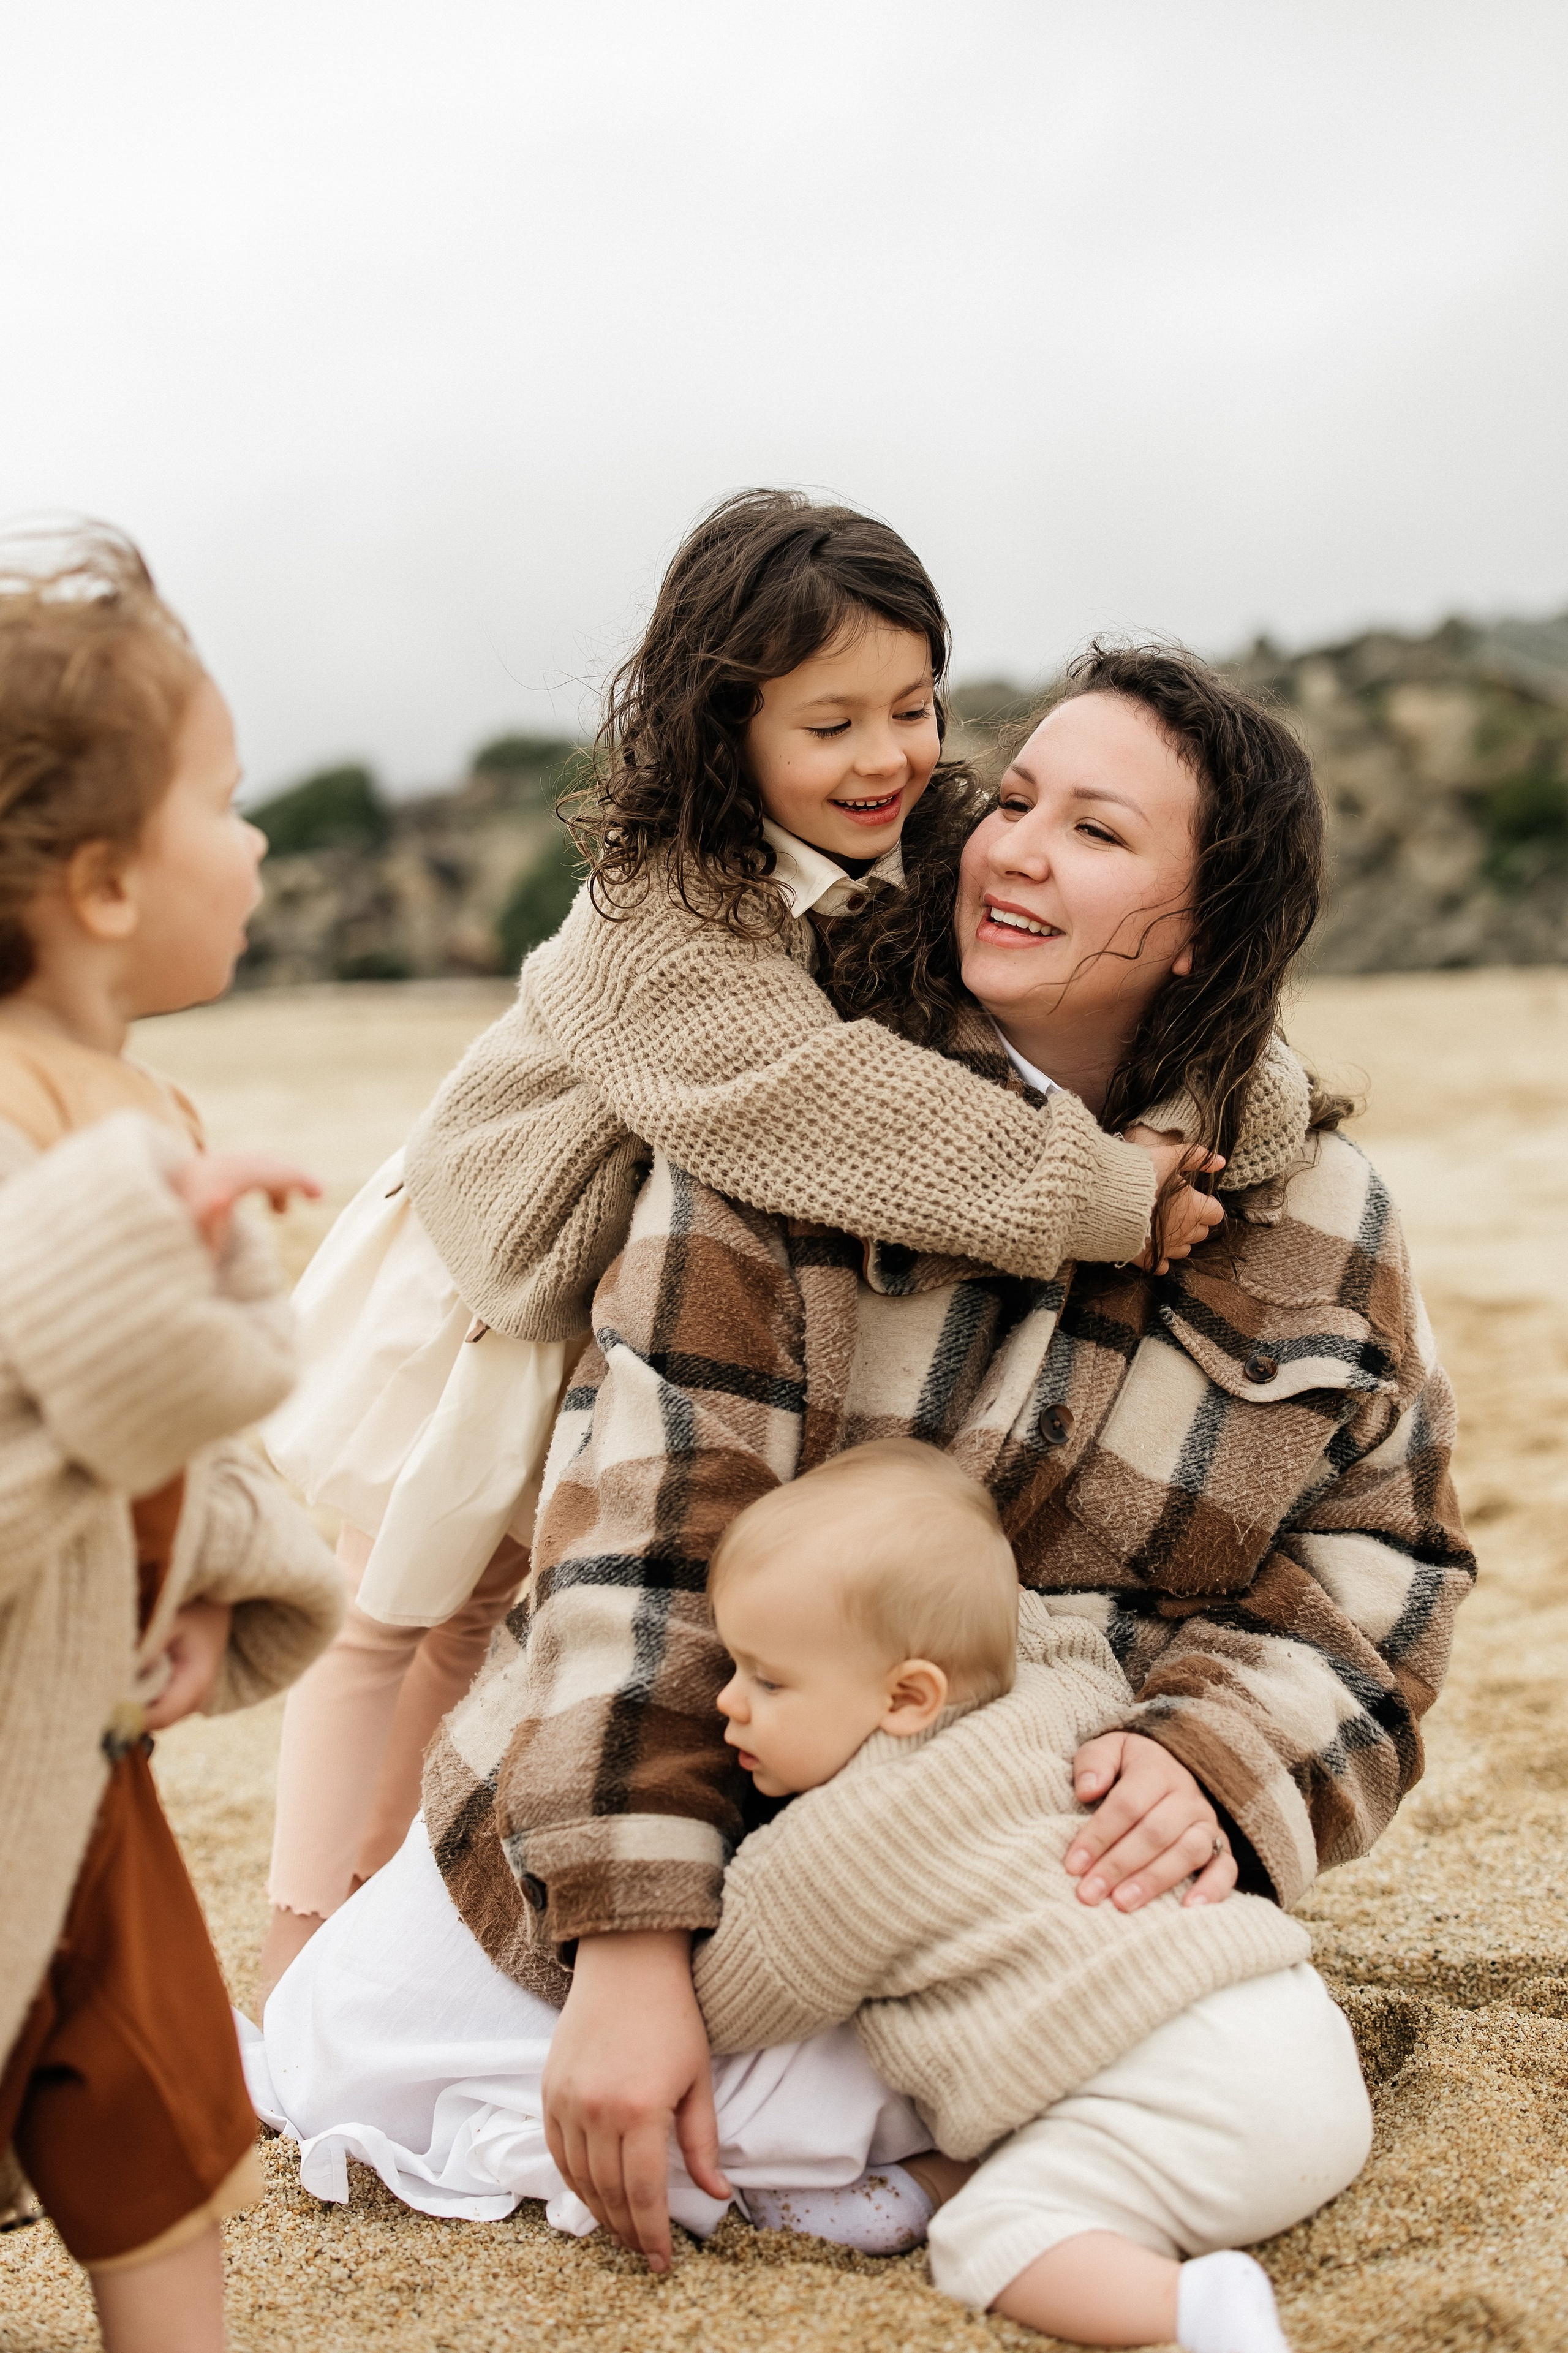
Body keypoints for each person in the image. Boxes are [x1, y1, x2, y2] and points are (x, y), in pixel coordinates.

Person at [257, 644, 1472, 2319]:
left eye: (1096, 831)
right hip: (731, 1798)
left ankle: (940, 2135)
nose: (1015, 846)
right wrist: (628, 1938)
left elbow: (1384, 1561)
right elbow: (649, 1530)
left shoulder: (1323, 1213)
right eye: (1019, 795)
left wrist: (1219, 1757)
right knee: (345, 2051)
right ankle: (901, 2147)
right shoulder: (814, 1115)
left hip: (1023, 1876)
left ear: (1202, 930)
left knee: (1268, 2085)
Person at [260, 490, 1310, 1997]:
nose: (888, 757)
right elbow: (814, 1099)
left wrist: (1194, 1121)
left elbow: (1177, 1013)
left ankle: (384, 1911)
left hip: (662, 1263)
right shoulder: (663, 904)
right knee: (396, 1606)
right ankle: (300, 1945)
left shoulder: (938, 829)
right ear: (724, 728)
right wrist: (1102, 1194)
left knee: (486, 1618)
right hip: (503, 1265)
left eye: (914, 705)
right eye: (830, 725)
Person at [0, 529, 344, 2353]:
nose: (262, 837)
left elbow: (193, 1432)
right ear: (108, 883)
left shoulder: (156, 1098)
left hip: (106, 1747)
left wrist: (212, 1577)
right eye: (226, 798)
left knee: (164, 2119)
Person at [695, 1439, 1370, 2351]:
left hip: (1178, 2110)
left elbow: (720, 2005)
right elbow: (1046, 1625)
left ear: (907, 1695)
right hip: (1300, 2036)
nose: (728, 1703)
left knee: (991, 2242)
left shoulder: (825, 1858)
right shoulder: (1065, 1693)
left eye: (768, 1678)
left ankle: (1196, 2311)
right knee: (1039, 2127)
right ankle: (929, 2178)